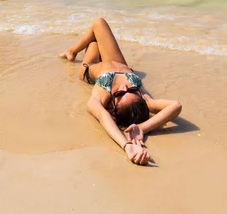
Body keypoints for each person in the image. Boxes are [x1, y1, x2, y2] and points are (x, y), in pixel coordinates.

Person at [60, 17, 182, 166]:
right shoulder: (146, 101)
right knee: (99, 24)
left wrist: (127, 146)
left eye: (120, 94)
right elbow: (175, 105)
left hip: (91, 66)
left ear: (112, 104)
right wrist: (142, 128)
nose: (124, 87)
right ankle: (71, 51)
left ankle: (71, 52)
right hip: (119, 63)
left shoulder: (101, 97)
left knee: (94, 39)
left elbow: (104, 118)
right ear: (140, 97)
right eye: (132, 89)